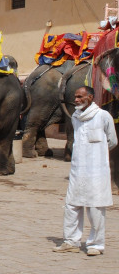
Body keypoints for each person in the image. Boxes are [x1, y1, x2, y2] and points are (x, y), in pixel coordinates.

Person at [53, 86, 117, 256]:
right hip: (77, 170)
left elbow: (112, 141)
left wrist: (98, 156)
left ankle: (96, 244)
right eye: (75, 97)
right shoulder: (75, 117)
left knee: (96, 208)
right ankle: (71, 241)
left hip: (97, 171)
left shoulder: (103, 116)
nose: (76, 99)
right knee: (72, 206)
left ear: (90, 97)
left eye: (80, 97)